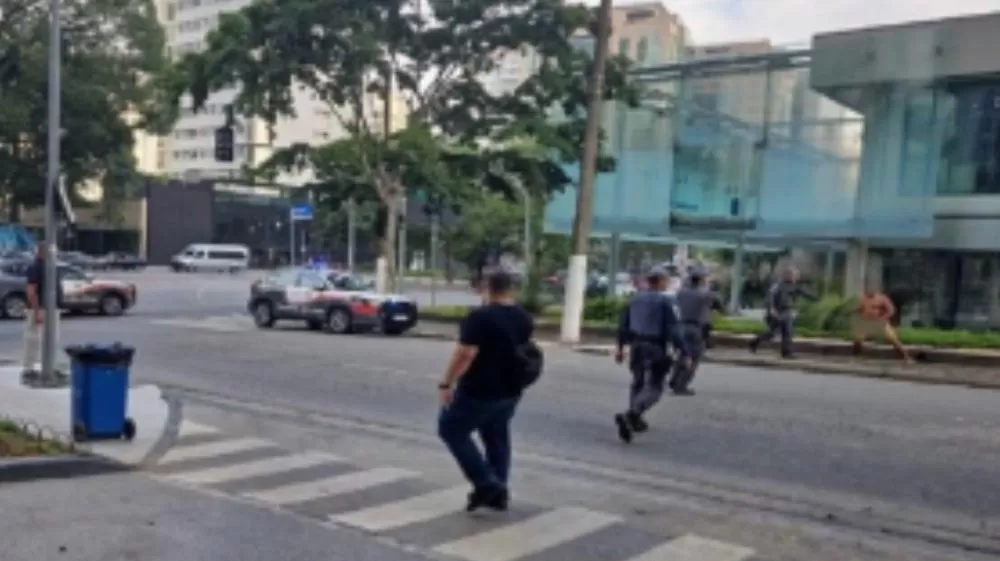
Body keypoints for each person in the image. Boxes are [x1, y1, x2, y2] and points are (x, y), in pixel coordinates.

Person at [437, 270, 533, 512]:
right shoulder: (523, 317)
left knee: (450, 429)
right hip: (511, 388)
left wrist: (446, 383)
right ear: (510, 288)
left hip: (479, 389)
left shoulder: (480, 317)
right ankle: (499, 492)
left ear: (486, 287)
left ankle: (486, 482)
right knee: (497, 436)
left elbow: (465, 354)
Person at [613, 267, 691, 444]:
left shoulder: (634, 299)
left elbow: (623, 326)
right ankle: (633, 414)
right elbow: (674, 330)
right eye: (666, 280)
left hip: (636, 346)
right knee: (655, 387)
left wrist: (619, 348)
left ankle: (633, 417)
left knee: (638, 382)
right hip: (656, 346)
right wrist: (685, 352)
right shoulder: (666, 302)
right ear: (661, 281)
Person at [669, 268, 723, 396]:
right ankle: (681, 386)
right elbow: (720, 306)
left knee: (682, 355)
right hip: (696, 328)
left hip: (681, 326)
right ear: (700, 280)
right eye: (705, 278)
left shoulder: (681, 292)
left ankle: (673, 380)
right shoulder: (707, 294)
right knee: (693, 358)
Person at [749, 267, 815, 359]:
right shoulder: (777, 284)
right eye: (794, 275)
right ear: (787, 275)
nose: (795, 278)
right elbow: (770, 296)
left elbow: (805, 293)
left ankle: (786, 352)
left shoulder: (795, 286)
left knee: (788, 332)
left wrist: (816, 299)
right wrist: (771, 308)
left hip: (787, 311)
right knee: (771, 332)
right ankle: (755, 342)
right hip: (777, 311)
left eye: (796, 276)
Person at [22, 242, 64, 379]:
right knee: (33, 339)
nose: (55, 255)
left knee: (53, 339)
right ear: (43, 252)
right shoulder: (36, 267)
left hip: (52, 309)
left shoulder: (51, 268)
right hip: (39, 309)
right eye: (53, 252)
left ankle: (51, 366)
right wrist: (37, 309)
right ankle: (29, 368)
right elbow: (31, 290)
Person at [853, 286, 913, 364]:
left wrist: (883, 317)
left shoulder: (882, 298)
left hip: (881, 322)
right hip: (867, 323)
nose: (870, 291)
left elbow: (891, 311)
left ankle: (906, 357)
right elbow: (858, 310)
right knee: (858, 338)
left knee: (892, 338)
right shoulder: (863, 299)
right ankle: (857, 357)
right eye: (868, 290)